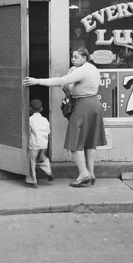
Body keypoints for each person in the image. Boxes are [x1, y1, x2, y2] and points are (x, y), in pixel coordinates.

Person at [23, 47, 107, 187]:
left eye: (76, 57)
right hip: (94, 103)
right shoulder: (91, 68)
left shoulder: (82, 71)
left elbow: (61, 81)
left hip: (83, 105)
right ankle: (90, 173)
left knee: (74, 142)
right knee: (88, 143)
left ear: (84, 58)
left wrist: (37, 81)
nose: (73, 59)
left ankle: (83, 174)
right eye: (72, 56)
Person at [25, 99, 53, 188]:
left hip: (34, 144)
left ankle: (33, 180)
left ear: (30, 109)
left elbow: (29, 133)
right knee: (43, 158)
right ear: (41, 109)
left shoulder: (30, 120)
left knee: (32, 161)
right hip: (44, 143)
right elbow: (49, 132)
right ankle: (48, 171)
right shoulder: (45, 120)